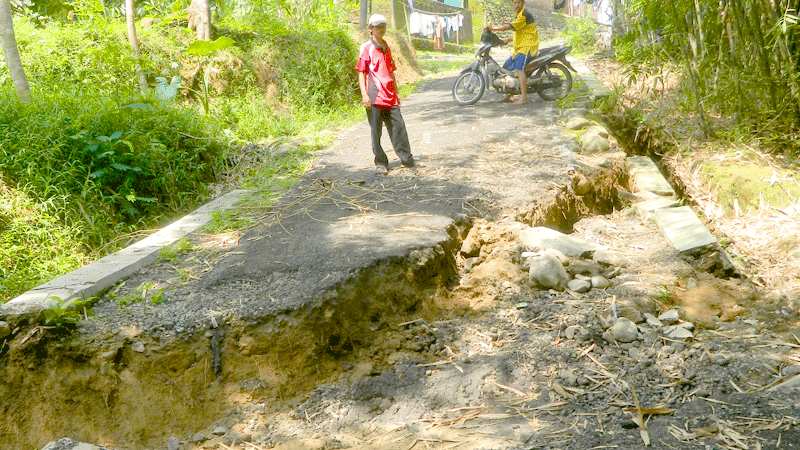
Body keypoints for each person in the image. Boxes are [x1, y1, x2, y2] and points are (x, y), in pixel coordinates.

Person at [356, 14, 415, 175]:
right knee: (376, 131)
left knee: (399, 127)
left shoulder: (386, 46)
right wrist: (364, 95)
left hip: (389, 94)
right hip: (374, 95)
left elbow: (391, 70)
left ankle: (407, 159)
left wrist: (396, 92)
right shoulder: (366, 47)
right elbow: (361, 73)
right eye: (378, 26)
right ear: (371, 29)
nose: (381, 29)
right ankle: (380, 162)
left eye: (383, 26)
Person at [487, 0, 540, 104]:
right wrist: (508, 40)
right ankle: (510, 96)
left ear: (523, 3)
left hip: (527, 47)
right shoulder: (519, 14)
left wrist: (493, 28)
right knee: (506, 68)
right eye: (514, 3)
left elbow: (510, 27)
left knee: (519, 69)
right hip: (519, 48)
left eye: (518, 3)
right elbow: (520, 31)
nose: (516, 5)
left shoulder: (524, 14)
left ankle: (524, 98)